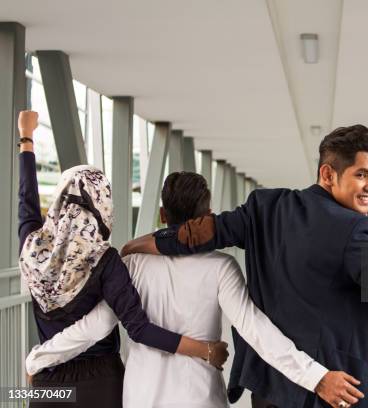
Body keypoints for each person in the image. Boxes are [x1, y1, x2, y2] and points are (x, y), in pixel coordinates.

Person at [121, 114, 368, 408]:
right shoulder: (355, 230)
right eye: (362, 175)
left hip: (269, 387)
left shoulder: (264, 208)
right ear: (328, 174)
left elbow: (203, 233)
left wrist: (147, 241)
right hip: (329, 389)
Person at [26, 171, 360, 408]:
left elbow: (96, 326)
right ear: (208, 217)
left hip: (142, 398)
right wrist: (315, 376)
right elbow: (257, 330)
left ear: (161, 214)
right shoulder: (220, 268)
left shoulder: (133, 265)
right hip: (199, 398)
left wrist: (39, 359)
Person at [17, 111, 226, 408]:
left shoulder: (32, 249)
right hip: (100, 382)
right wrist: (206, 349)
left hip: (46, 385)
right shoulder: (105, 260)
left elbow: (26, 203)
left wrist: (26, 139)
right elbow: (139, 328)